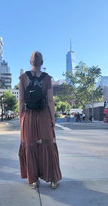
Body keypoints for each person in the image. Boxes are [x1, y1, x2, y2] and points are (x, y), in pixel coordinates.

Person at [18, 51, 62, 189]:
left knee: (29, 145)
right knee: (48, 144)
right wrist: (52, 118)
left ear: (30, 62)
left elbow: (20, 101)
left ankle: (33, 180)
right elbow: (50, 100)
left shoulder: (23, 78)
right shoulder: (47, 78)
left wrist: (21, 119)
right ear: (42, 63)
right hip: (43, 114)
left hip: (29, 115)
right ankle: (53, 179)